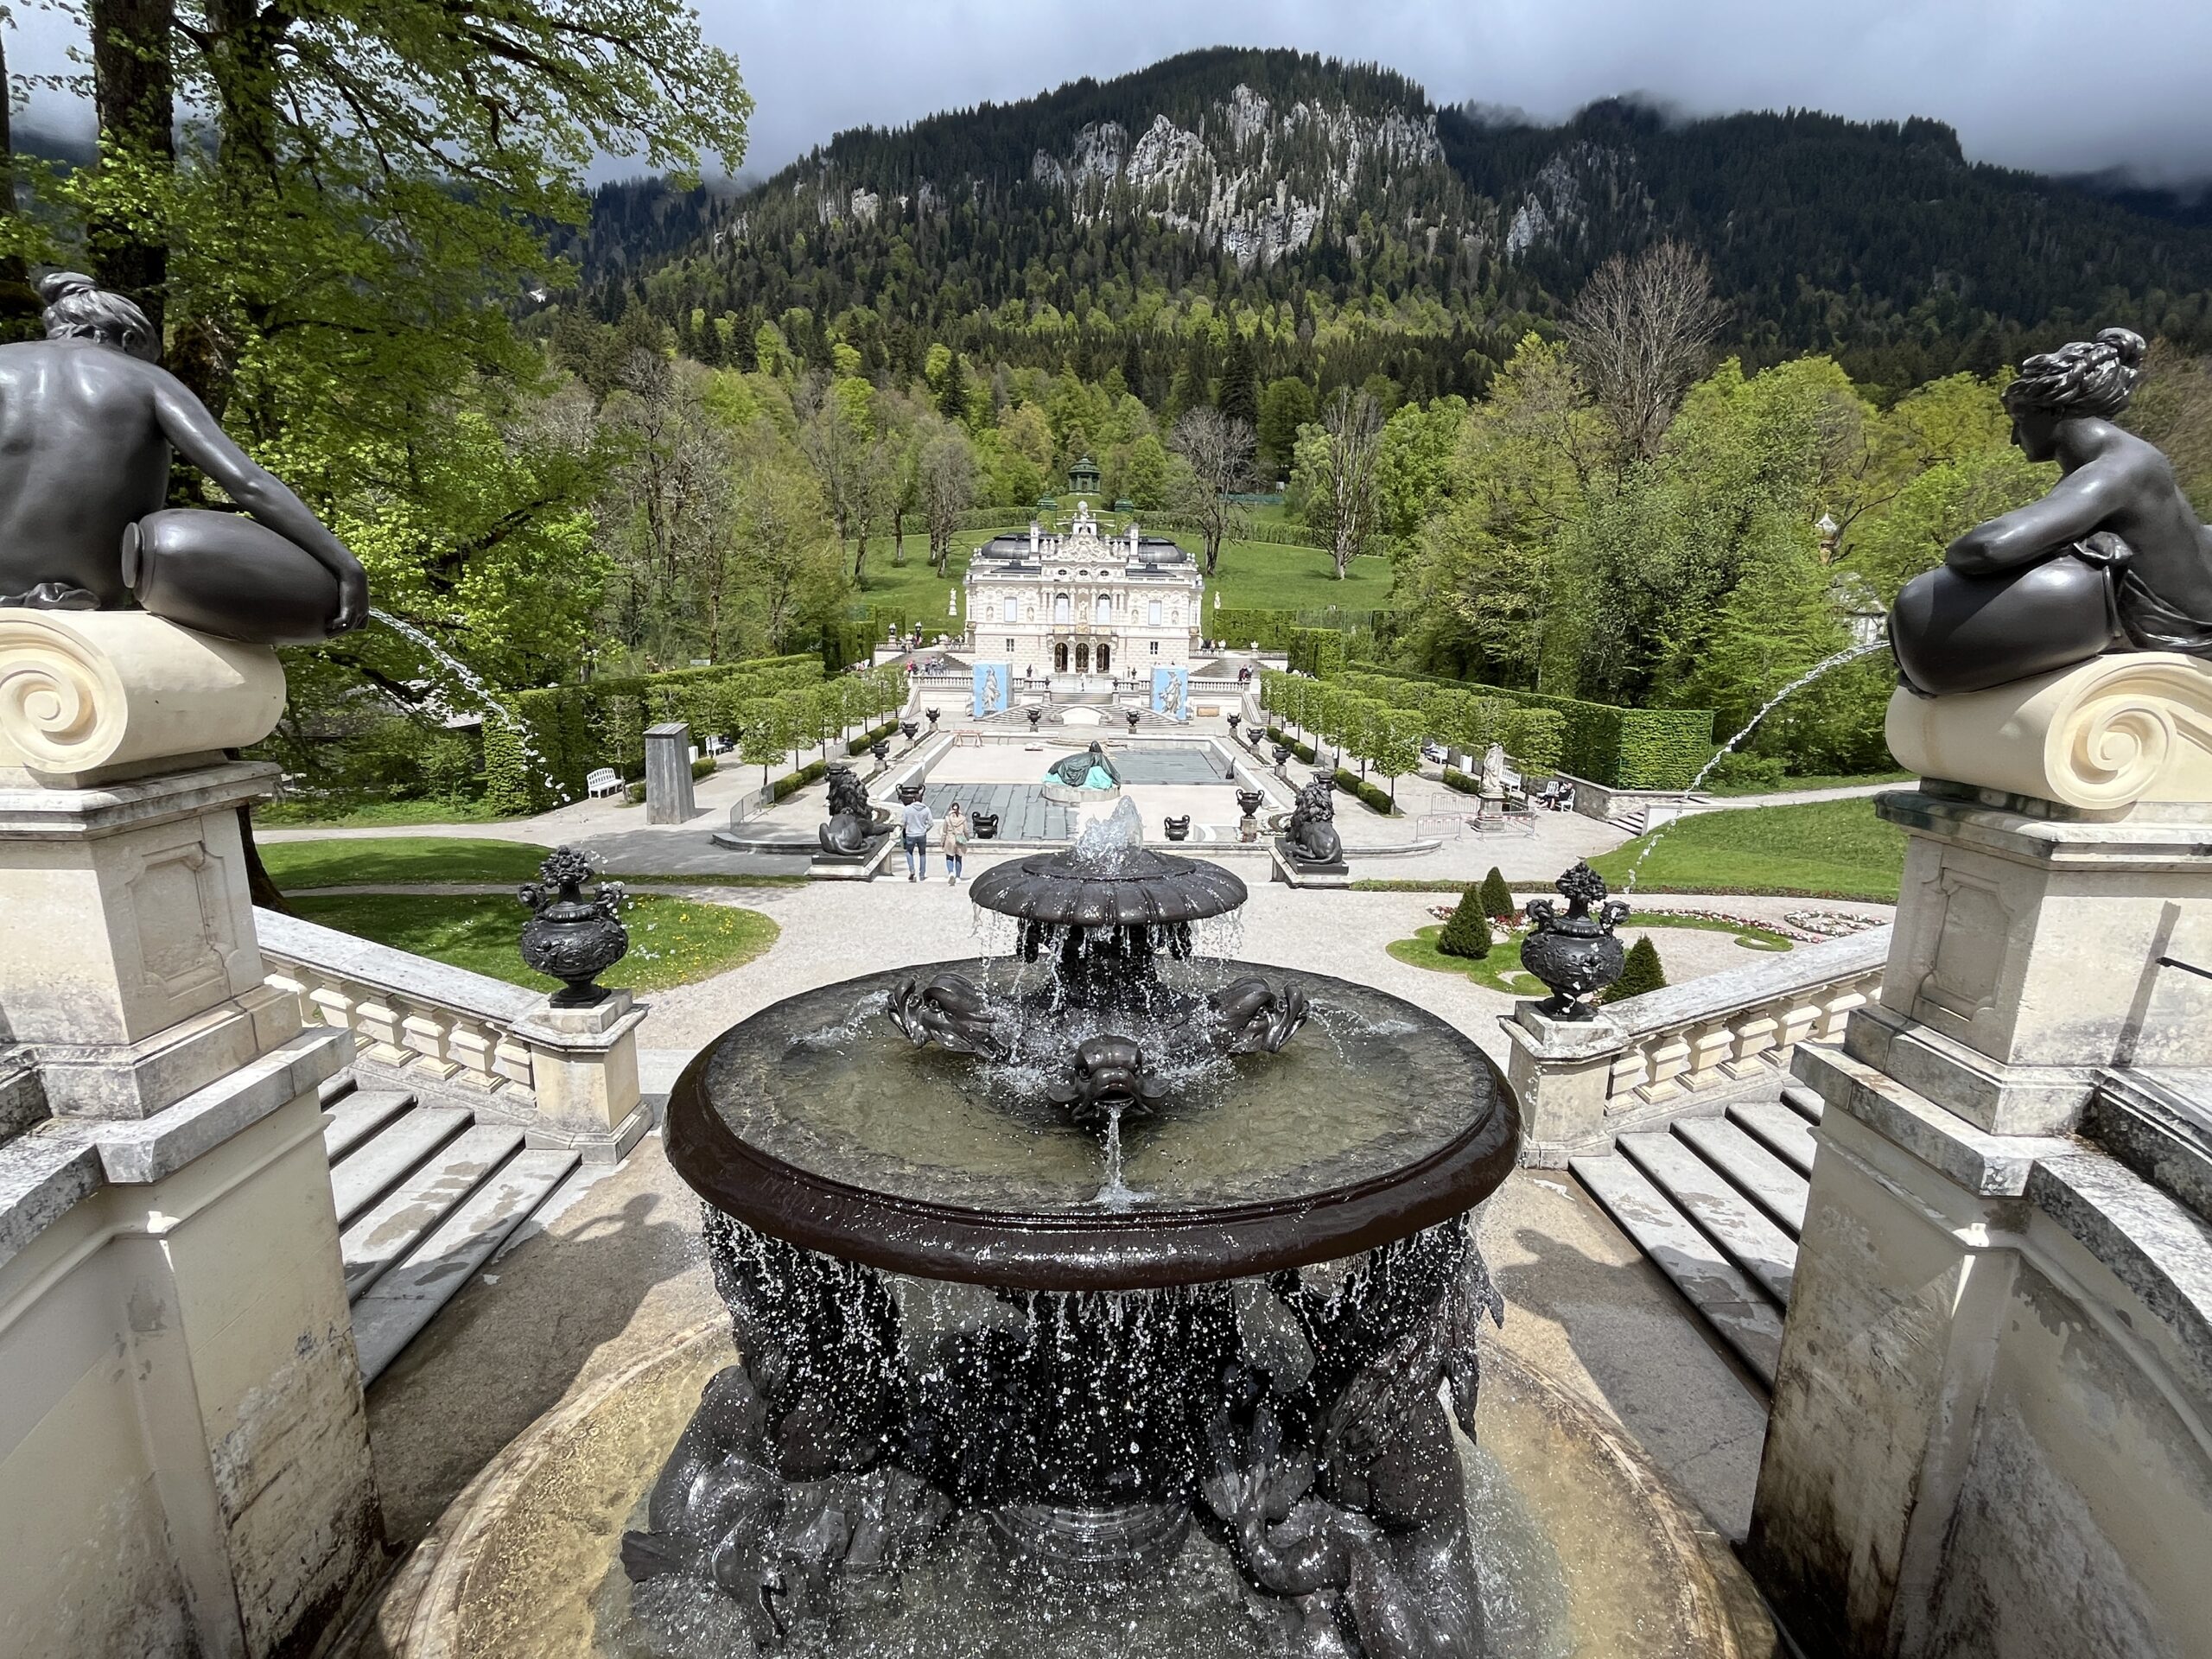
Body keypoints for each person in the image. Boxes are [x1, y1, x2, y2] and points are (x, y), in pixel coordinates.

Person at [0, 272, 367, 639]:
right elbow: (247, 482)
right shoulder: (147, 379)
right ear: (127, 339)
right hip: (86, 596)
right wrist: (343, 564)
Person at [1891, 327, 2212, 696]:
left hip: (2185, 635)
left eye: (2020, 419)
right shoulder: (2122, 460)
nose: (2014, 437)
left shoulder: (2118, 468)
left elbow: (1989, 547)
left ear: (2055, 409)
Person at [901, 792, 934, 880]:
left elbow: (903, 822)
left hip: (910, 834)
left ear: (913, 799)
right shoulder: (926, 809)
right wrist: (925, 830)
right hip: (922, 834)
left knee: (909, 852)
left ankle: (912, 870)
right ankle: (922, 874)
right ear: (922, 800)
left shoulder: (907, 809)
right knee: (922, 854)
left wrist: (906, 828)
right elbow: (931, 823)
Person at [941, 803, 969, 885]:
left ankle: (951, 873)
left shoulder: (947, 819)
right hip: (960, 839)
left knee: (949, 857)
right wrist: (967, 838)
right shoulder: (963, 819)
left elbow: (944, 832)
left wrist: (942, 841)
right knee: (959, 858)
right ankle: (958, 877)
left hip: (950, 839)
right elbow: (966, 830)